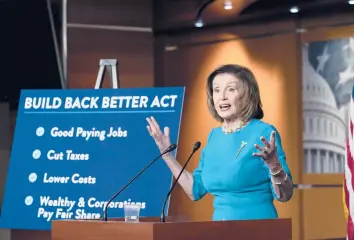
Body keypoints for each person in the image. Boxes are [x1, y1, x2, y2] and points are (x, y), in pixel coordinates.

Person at [146, 64, 293, 221]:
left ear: (248, 95)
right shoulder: (214, 136)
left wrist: (274, 165)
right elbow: (194, 189)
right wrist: (167, 156)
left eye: (230, 89)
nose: (222, 96)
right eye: (216, 90)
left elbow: (285, 195)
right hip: (220, 230)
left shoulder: (263, 133)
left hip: (258, 229)